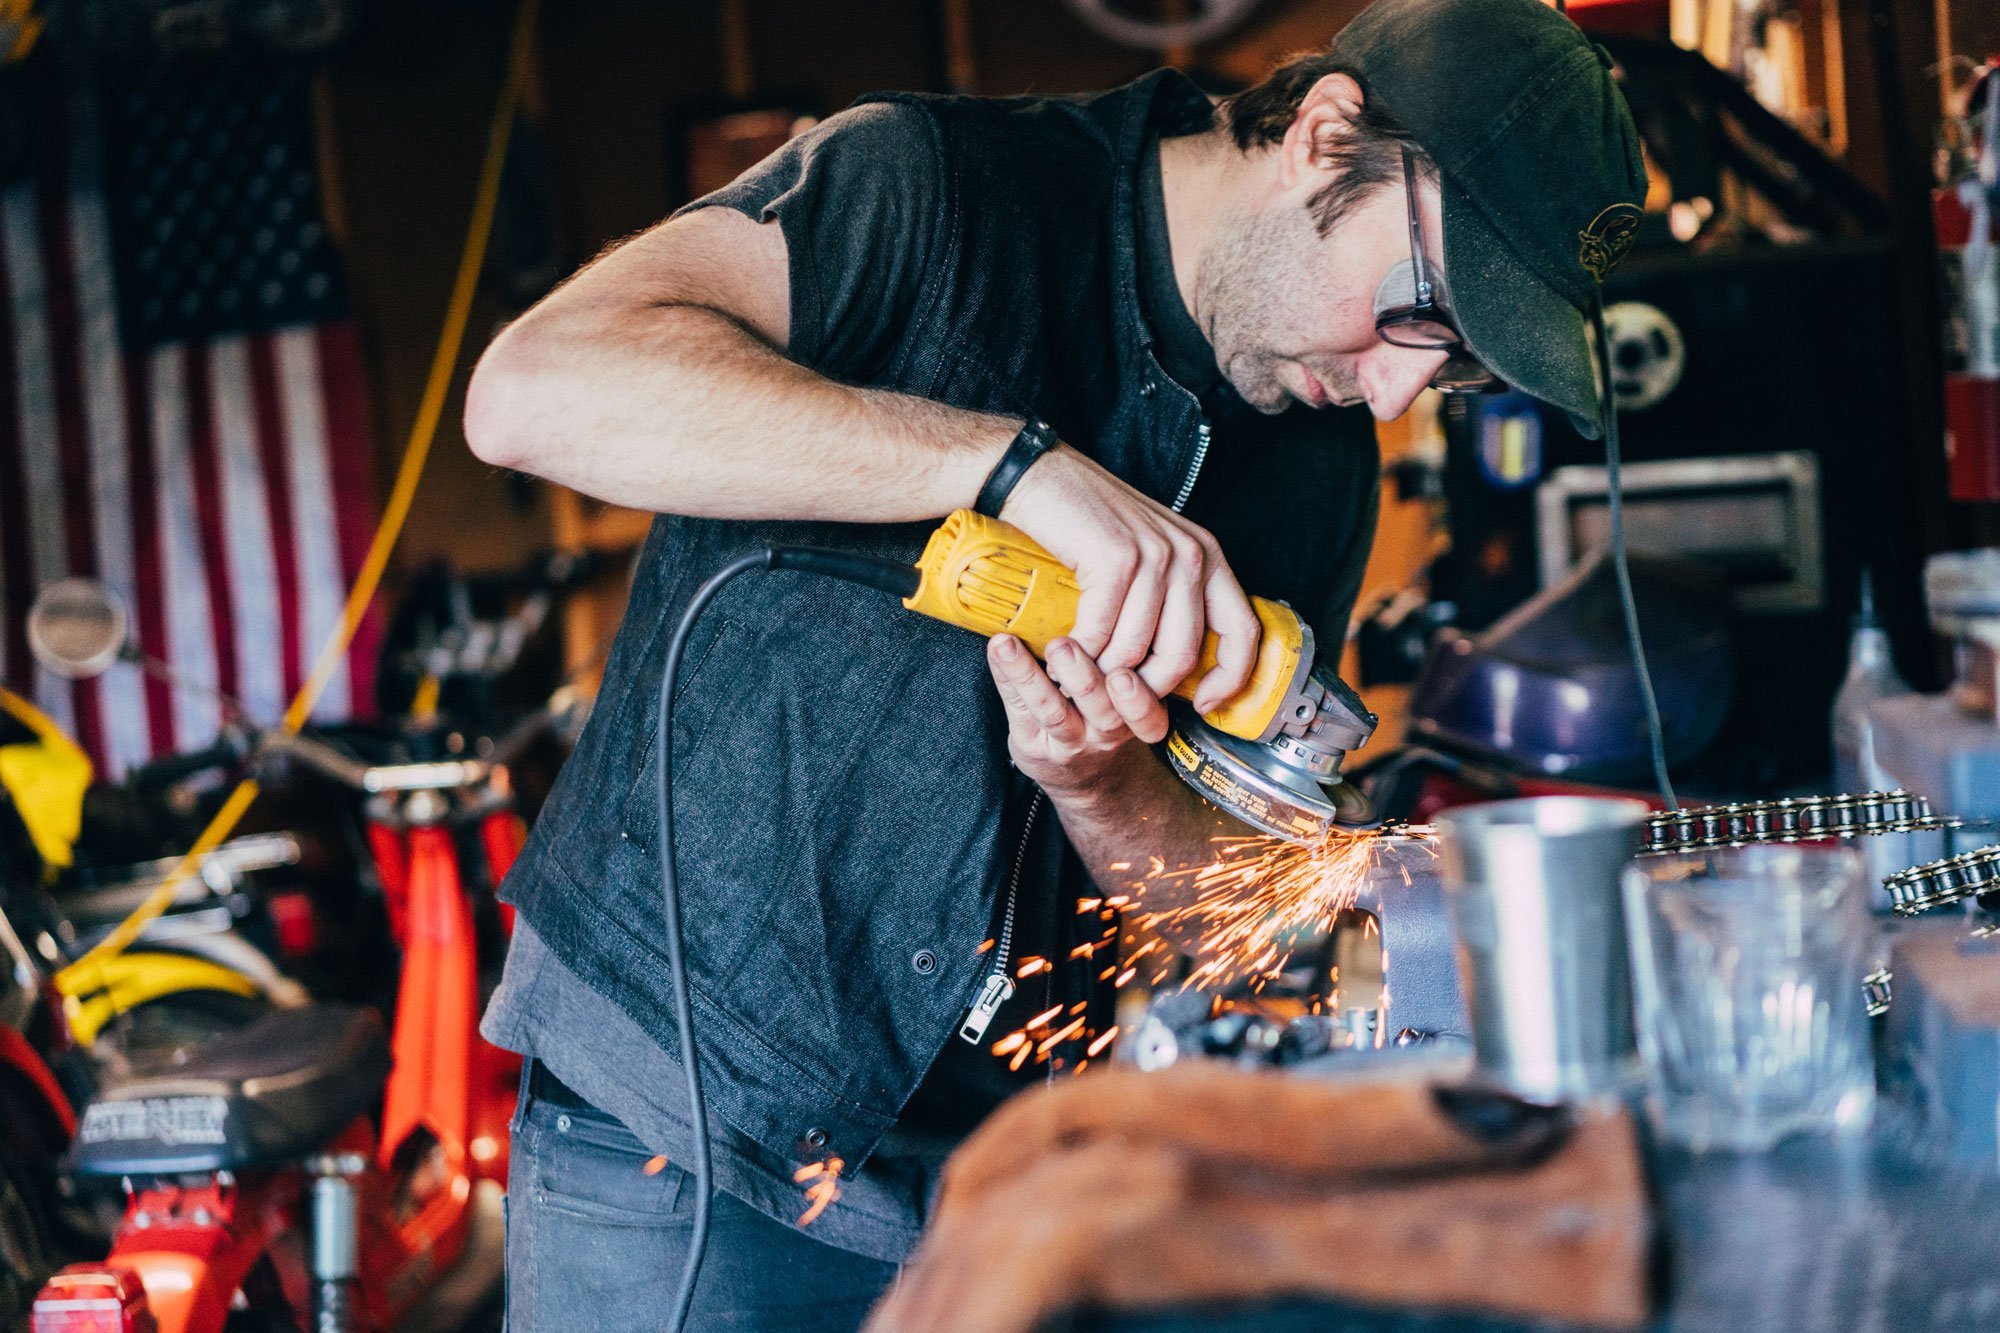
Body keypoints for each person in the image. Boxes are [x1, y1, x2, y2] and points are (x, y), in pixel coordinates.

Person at [463, 0, 1646, 1326]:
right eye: (1415, 308)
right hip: (681, 1141)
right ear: (1325, 134)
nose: (1390, 395)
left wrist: (1104, 786)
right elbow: (531, 389)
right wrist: (1004, 465)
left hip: (1012, 1176)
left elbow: (1220, 925)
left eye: (1453, 368)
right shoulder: (933, 191)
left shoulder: (1319, 474)